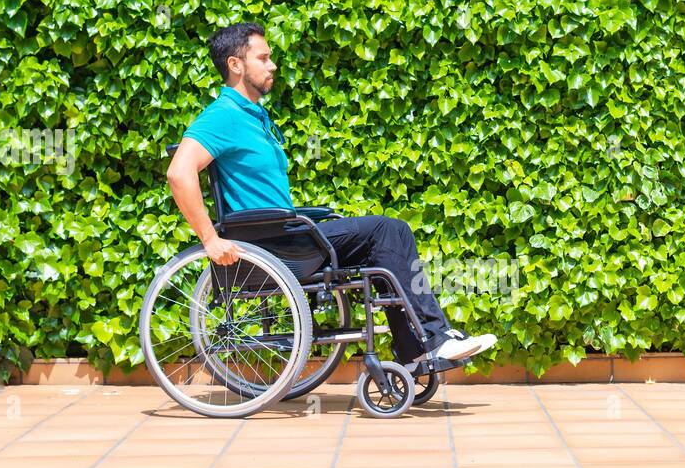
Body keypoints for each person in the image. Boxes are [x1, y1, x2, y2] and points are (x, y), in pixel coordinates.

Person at [166, 21, 497, 367]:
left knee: (383, 247)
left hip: (287, 236)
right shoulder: (223, 116)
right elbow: (179, 172)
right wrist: (209, 240)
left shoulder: (254, 117)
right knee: (389, 230)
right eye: (263, 58)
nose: (272, 65)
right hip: (275, 244)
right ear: (235, 64)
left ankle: (415, 351)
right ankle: (436, 338)